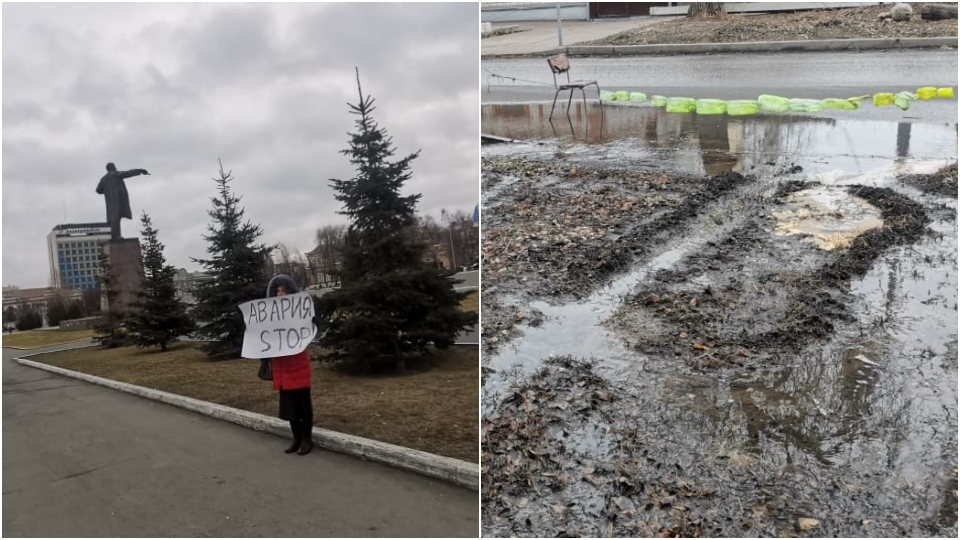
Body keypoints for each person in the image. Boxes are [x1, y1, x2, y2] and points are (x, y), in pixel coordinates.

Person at [265, 274, 314, 456]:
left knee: (302, 403)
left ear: (291, 292)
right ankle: (296, 438)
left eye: (284, 291)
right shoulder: (270, 316)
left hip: (297, 362)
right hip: (281, 364)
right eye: (277, 291)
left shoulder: (300, 311)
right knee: (289, 405)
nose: (280, 294)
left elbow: (310, 329)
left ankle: (307, 438)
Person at [95, 162, 150, 240]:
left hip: (110, 202)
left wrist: (108, 190)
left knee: (114, 218)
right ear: (112, 167)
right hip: (118, 199)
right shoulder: (115, 174)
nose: (115, 167)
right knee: (116, 217)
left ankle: (115, 236)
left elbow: (98, 190)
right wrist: (141, 171)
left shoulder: (103, 179)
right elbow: (128, 173)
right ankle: (116, 236)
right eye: (114, 166)